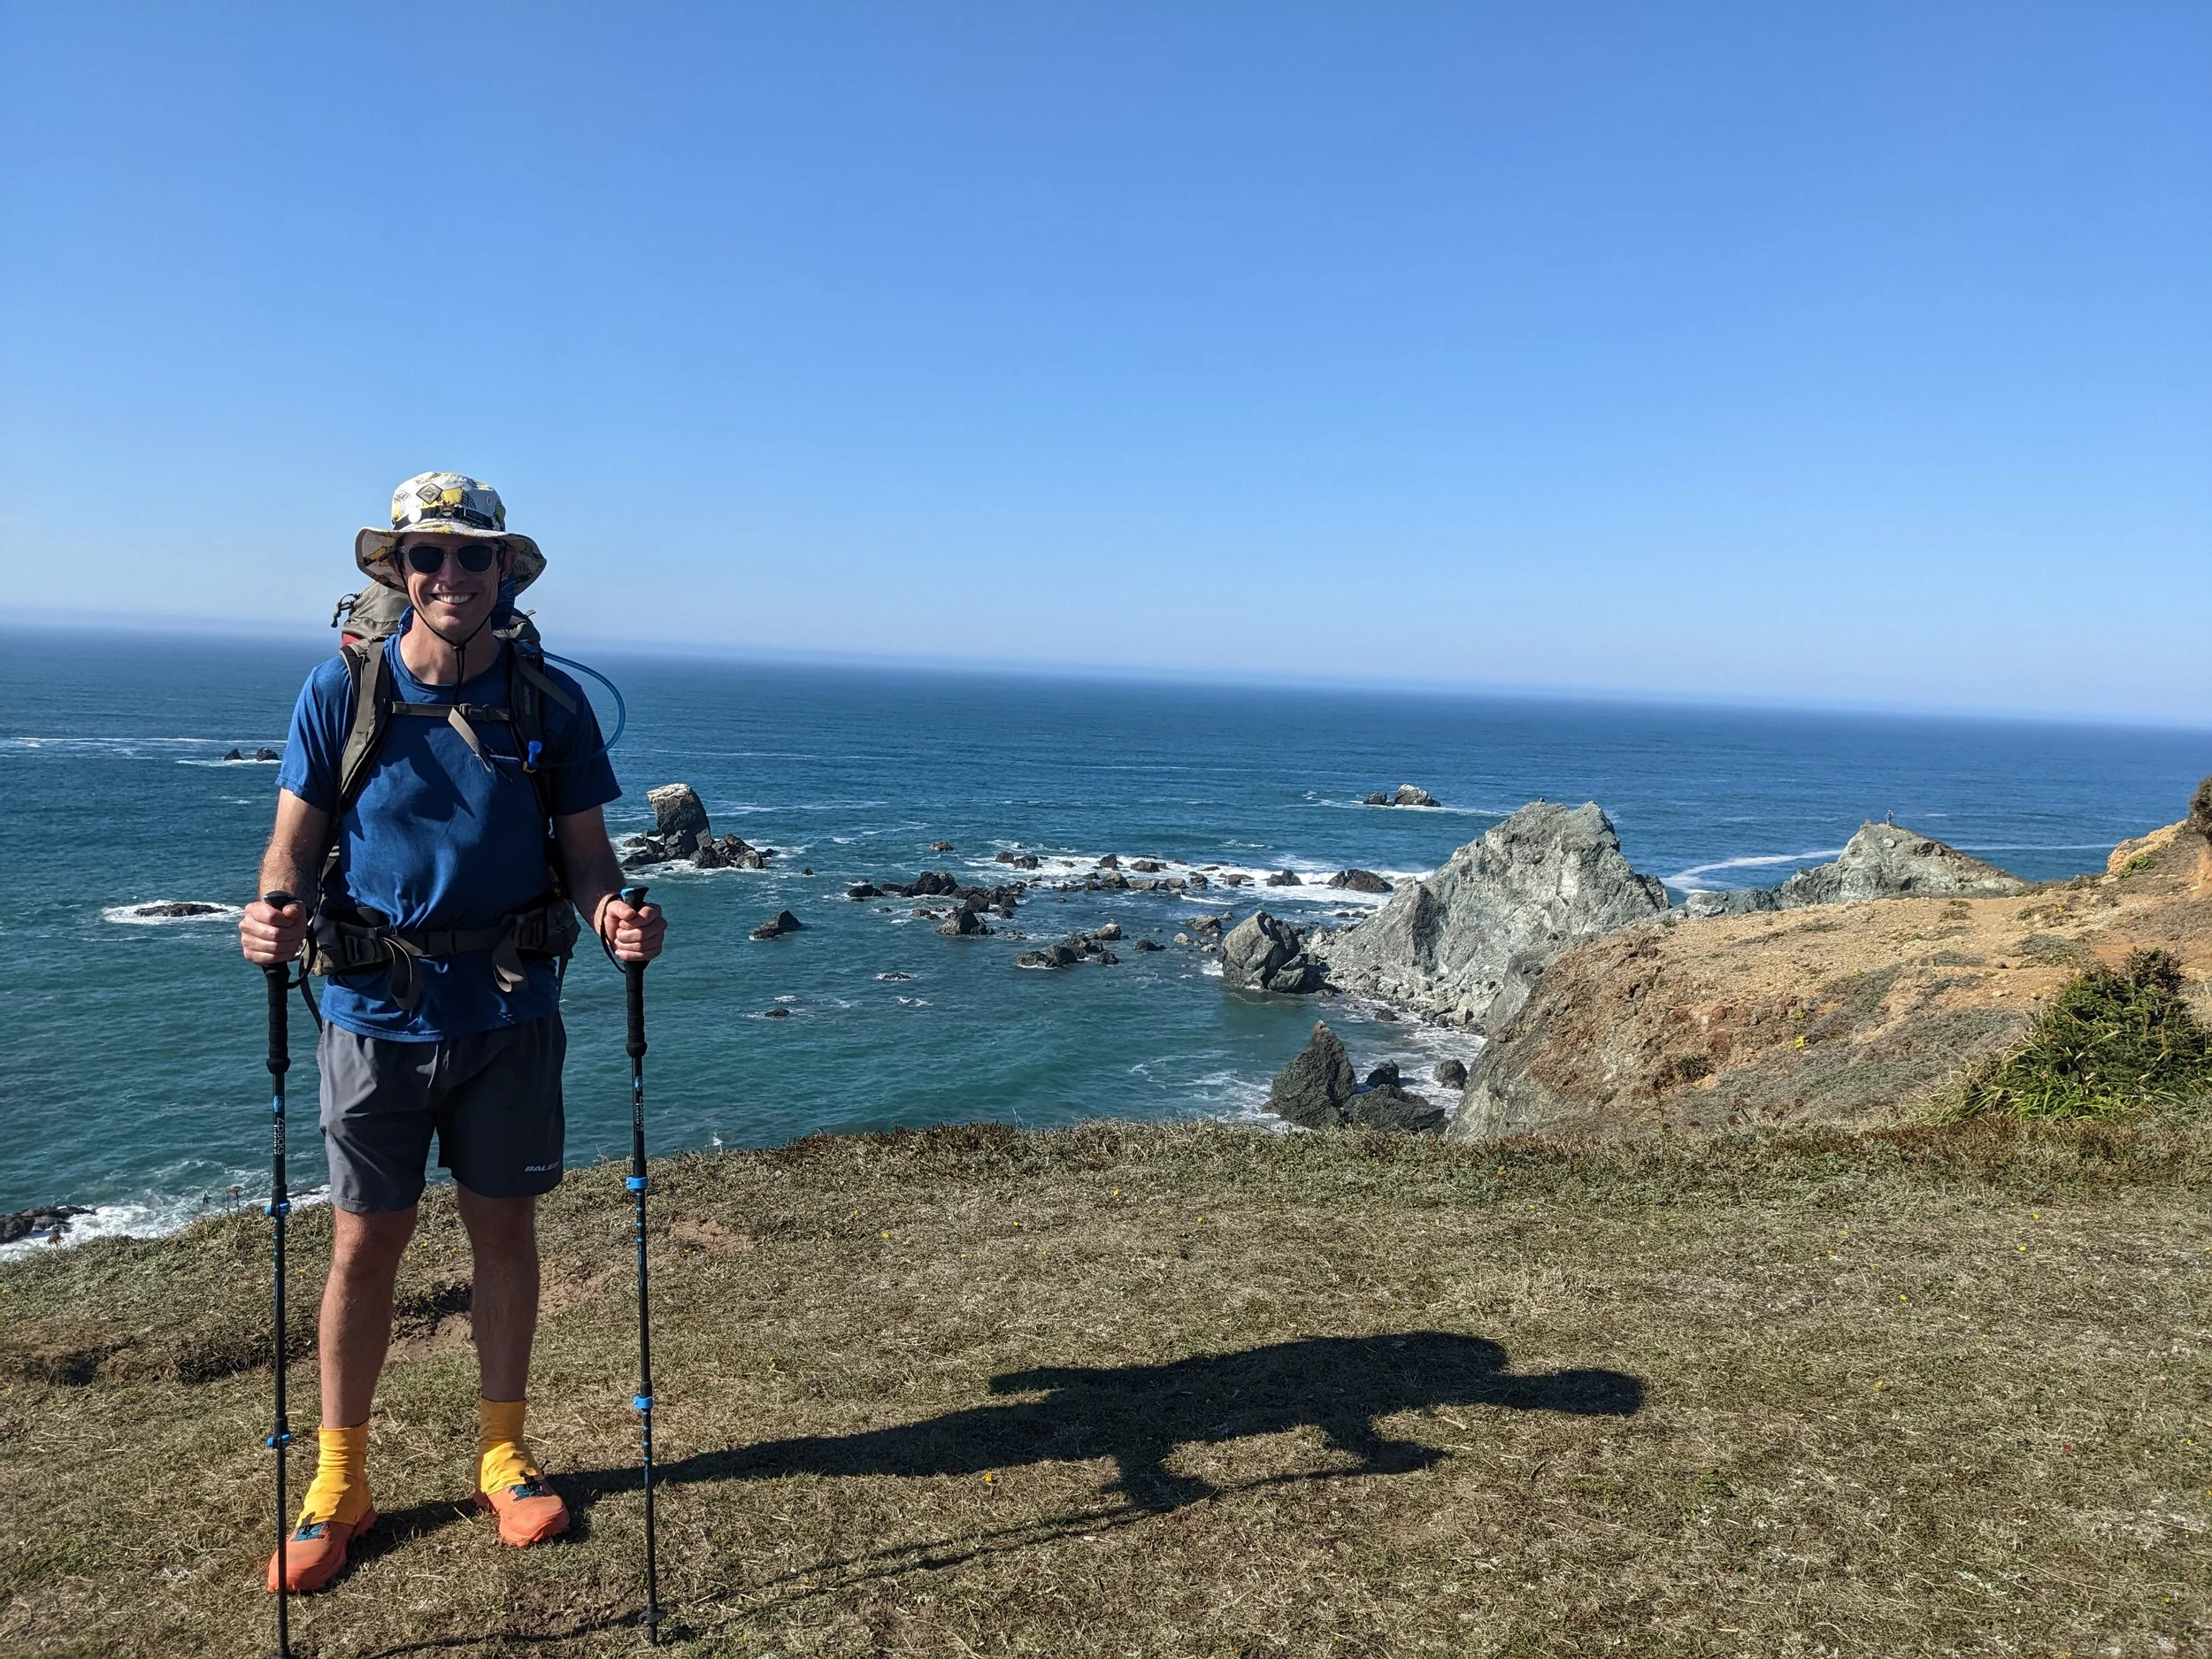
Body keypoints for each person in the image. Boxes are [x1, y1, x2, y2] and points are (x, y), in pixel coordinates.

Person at [239, 472, 665, 1594]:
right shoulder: (342, 690)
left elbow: (585, 853)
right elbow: (295, 839)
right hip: (373, 1011)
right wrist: (270, 912)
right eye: (426, 557)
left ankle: (502, 1455)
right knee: (361, 1246)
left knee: (503, 1237)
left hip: (512, 1009)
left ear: (500, 572)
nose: (448, 576)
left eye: (470, 557)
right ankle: (340, 1481)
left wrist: (614, 914)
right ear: (397, 572)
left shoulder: (549, 703)